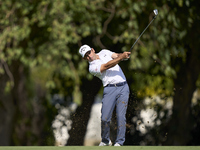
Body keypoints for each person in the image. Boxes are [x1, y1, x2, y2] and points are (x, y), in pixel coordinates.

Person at [79, 44, 131, 146]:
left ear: (93, 50)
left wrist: (123, 55)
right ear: (84, 58)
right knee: (105, 118)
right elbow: (107, 66)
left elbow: (116, 55)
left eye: (89, 53)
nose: (89, 56)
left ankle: (119, 142)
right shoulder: (92, 67)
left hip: (123, 87)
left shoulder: (104, 52)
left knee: (121, 117)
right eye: (86, 56)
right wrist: (121, 57)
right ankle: (106, 141)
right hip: (109, 89)